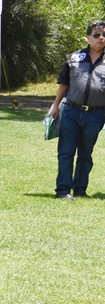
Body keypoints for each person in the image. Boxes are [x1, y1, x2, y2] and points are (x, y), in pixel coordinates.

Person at [49, 19, 105, 199]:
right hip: (71, 111)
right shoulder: (74, 58)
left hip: (96, 114)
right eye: (96, 35)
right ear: (88, 37)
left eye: (104, 35)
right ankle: (63, 191)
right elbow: (64, 83)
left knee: (85, 154)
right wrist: (55, 106)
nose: (101, 38)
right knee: (66, 152)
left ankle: (80, 190)